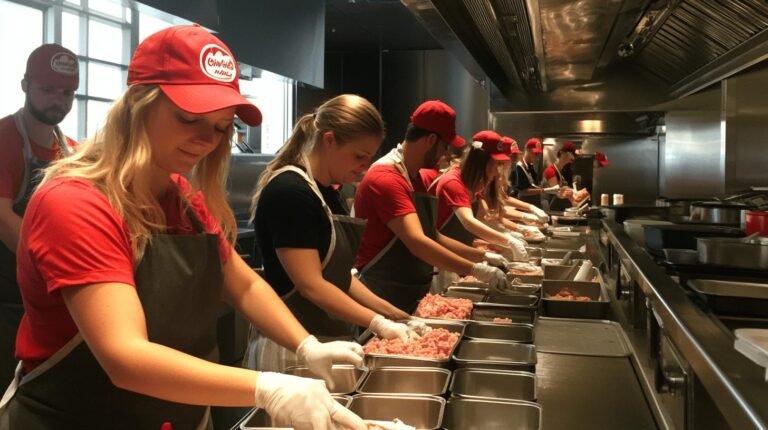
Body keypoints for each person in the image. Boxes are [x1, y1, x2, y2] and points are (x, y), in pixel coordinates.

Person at [0, 25, 366, 430]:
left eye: (220, 126)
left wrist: (306, 345)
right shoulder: (75, 202)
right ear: (139, 102)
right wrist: (267, 387)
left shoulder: (183, 200)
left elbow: (244, 285)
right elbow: (125, 357)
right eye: (189, 117)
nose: (205, 140)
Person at [248, 94, 414, 372]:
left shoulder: (328, 194)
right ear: (329, 140)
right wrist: (376, 322)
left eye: (369, 158)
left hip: (327, 340)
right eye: (359, 156)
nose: (364, 167)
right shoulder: (290, 192)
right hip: (291, 348)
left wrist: (392, 313)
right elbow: (311, 284)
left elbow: (339, 278)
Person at [353, 101, 508, 312]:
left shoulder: (416, 177)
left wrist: (482, 256)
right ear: (431, 139)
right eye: (445, 146)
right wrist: (476, 269)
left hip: (409, 291)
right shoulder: (386, 177)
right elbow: (417, 241)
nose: (445, 153)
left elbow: (432, 235)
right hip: (380, 292)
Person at [0, 44, 79, 387]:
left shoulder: (73, 150)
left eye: (66, 93)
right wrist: (55, 271)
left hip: (46, 305)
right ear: (24, 86)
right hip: (6, 301)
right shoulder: (5, 139)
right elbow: (2, 217)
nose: (57, 101)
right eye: (47, 90)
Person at [433, 130, 530, 257]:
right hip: (442, 258)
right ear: (480, 162)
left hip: (458, 252)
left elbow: (482, 219)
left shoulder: (472, 185)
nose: (497, 171)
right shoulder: (453, 182)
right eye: (495, 164)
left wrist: (480, 243)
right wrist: (508, 241)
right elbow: (469, 222)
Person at [543, 141, 578, 211]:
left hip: (558, 207)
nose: (572, 157)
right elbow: (558, 193)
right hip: (550, 208)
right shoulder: (550, 171)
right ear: (562, 152)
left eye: (573, 155)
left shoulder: (562, 171)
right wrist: (573, 198)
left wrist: (574, 194)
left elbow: (564, 191)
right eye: (570, 154)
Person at [511, 138, 547, 208]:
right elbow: (523, 191)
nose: (537, 157)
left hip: (533, 204)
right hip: (524, 206)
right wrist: (543, 190)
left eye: (538, 154)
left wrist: (542, 185)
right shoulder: (519, 166)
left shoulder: (530, 165)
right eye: (535, 153)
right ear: (527, 149)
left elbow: (533, 184)